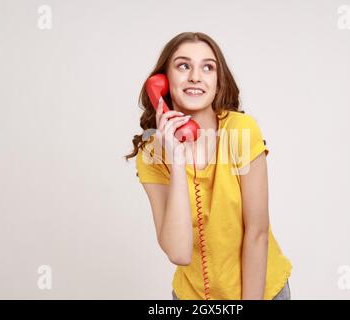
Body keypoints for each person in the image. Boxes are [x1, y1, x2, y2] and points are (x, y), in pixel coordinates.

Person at [125, 32, 292, 300]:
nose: (195, 76)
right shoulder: (152, 153)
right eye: (183, 65)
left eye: (207, 67)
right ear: (163, 83)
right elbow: (178, 252)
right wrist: (177, 162)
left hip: (259, 292)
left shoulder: (241, 131)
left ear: (218, 82)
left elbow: (257, 233)